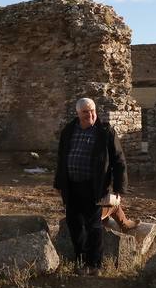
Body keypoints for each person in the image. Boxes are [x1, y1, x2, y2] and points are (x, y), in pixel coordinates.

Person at [53, 97, 127, 275]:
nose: (90, 114)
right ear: (78, 113)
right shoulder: (69, 130)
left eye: (92, 110)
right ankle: (80, 261)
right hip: (72, 187)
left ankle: (95, 264)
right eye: (85, 112)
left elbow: (119, 160)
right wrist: (58, 183)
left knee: (93, 226)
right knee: (74, 224)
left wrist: (118, 189)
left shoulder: (105, 131)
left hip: (95, 187)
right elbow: (62, 158)